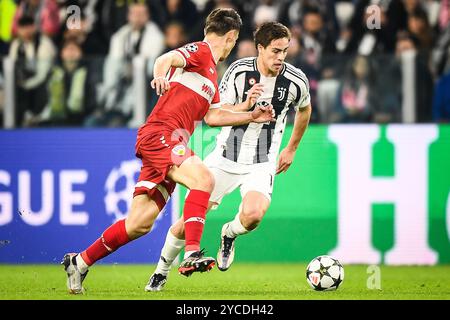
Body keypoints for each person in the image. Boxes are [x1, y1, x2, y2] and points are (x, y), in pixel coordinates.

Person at [62, 7, 275, 294]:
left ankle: (80, 262)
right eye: (233, 42)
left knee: (140, 223)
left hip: (168, 143)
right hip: (161, 135)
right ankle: (191, 254)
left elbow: (213, 117)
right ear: (231, 37)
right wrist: (160, 75)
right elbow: (166, 58)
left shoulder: (211, 78)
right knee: (204, 179)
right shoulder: (200, 52)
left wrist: (249, 113)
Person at [145, 21, 312, 292]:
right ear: (260, 48)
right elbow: (216, 114)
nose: (281, 57)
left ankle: (228, 233)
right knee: (185, 225)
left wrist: (291, 148)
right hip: (224, 158)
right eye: (275, 51)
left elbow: (304, 110)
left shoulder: (295, 80)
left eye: (285, 51)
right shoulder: (237, 71)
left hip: (262, 161)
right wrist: (246, 104)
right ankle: (161, 271)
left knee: (254, 215)